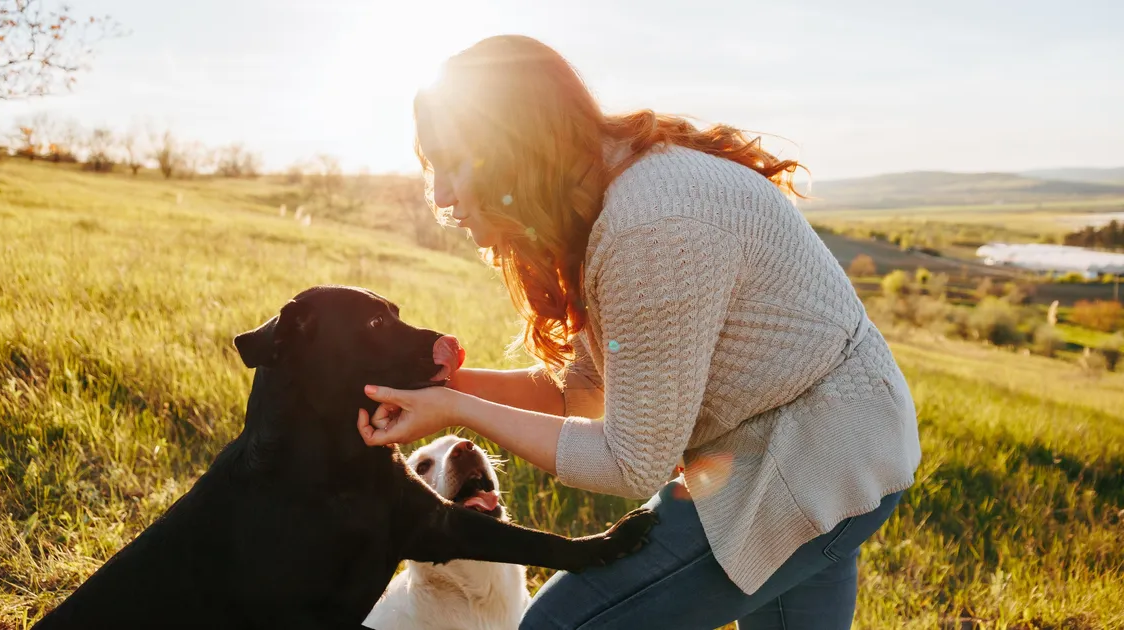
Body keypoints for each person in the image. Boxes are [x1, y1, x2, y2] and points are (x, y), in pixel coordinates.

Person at [356, 34, 921, 630]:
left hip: (804, 462)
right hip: (839, 449)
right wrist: (438, 386)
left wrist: (453, 409)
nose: (441, 194)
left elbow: (629, 464)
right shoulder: (615, 200)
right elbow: (580, 393)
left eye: (453, 163)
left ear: (514, 148)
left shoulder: (648, 230)